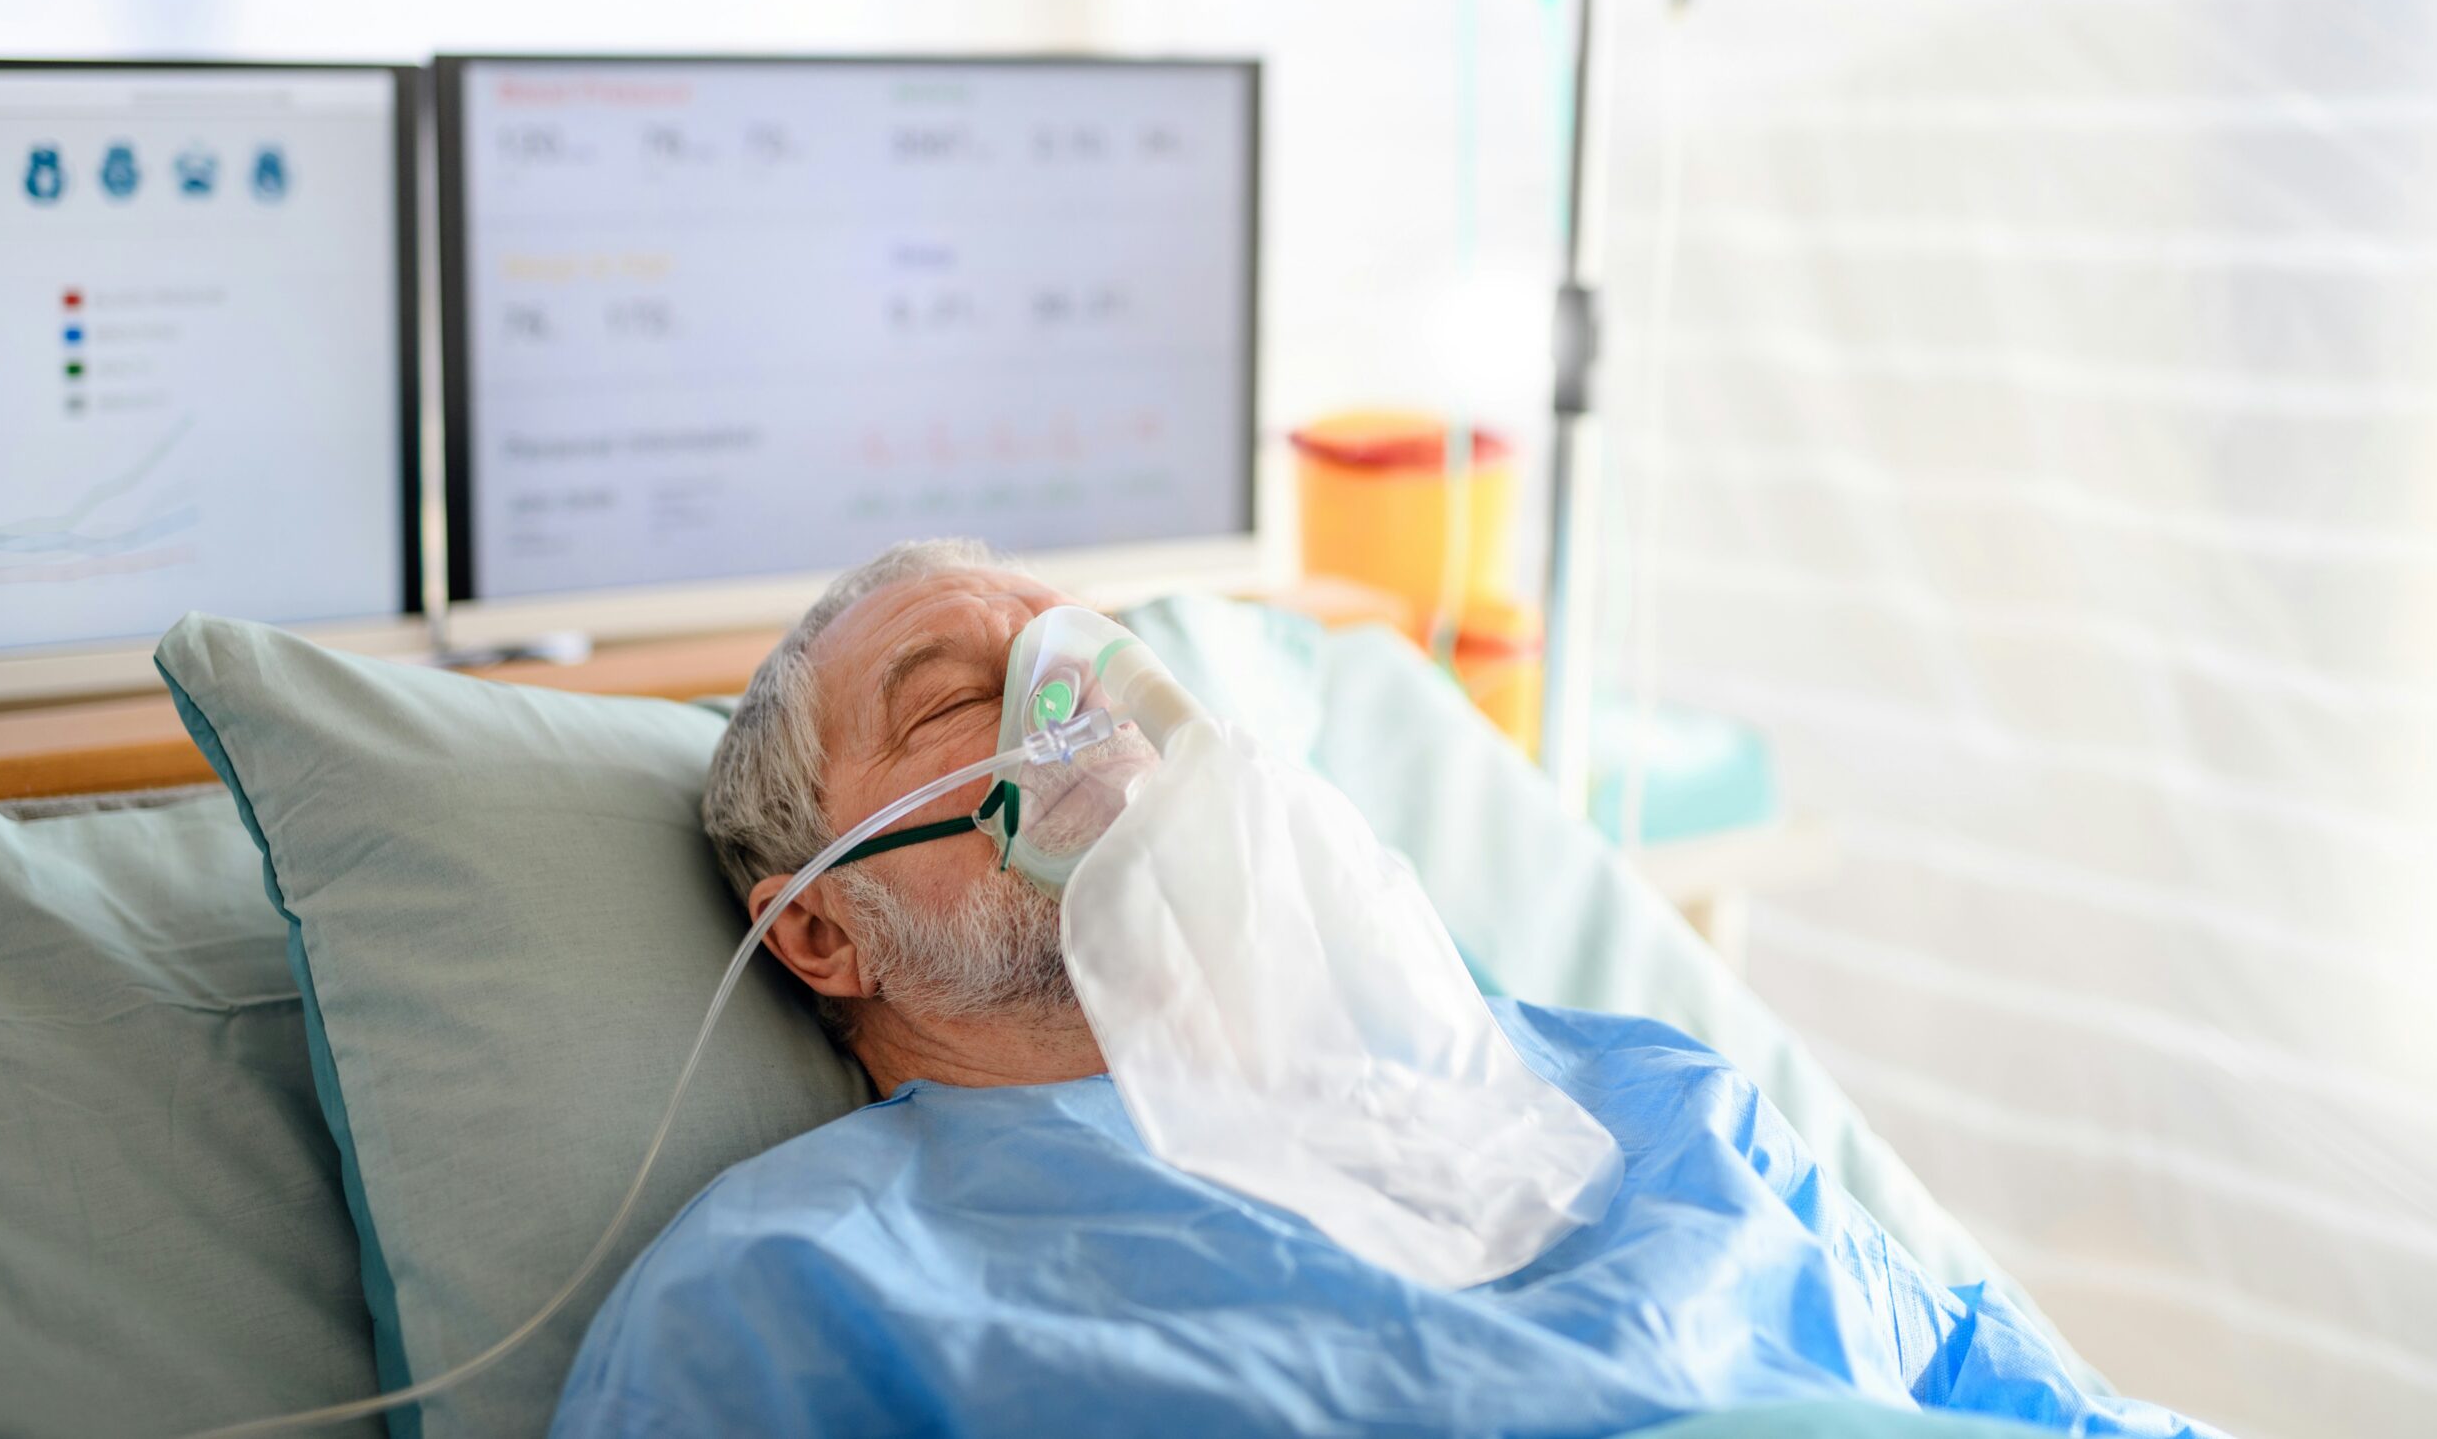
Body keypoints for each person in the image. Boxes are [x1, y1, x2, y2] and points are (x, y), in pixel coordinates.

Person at [548, 540, 2223, 1439]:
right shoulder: (795, 1295)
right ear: (819, 936)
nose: (1069, 722)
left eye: (1086, 666)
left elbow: (2039, 1402)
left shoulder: (1608, 1091)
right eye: (951, 709)